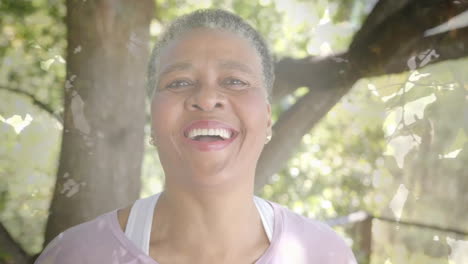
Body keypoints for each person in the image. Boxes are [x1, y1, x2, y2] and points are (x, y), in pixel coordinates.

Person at [35, 9, 357, 264]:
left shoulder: (325, 255)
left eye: (234, 81)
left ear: (268, 119)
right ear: (153, 120)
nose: (206, 98)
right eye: (178, 82)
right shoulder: (76, 256)